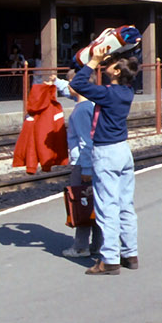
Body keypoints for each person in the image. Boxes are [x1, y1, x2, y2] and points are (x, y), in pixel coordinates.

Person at [72, 49, 140, 274]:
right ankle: (130, 254)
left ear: (117, 72)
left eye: (111, 64)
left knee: (106, 205)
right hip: (123, 150)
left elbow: (79, 83)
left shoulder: (108, 94)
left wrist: (93, 61)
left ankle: (109, 259)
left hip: (106, 152)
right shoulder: (128, 91)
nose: (106, 65)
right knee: (125, 204)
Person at [59, 73, 103, 260]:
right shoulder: (89, 104)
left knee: (82, 204)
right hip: (92, 162)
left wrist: (85, 169)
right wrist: (54, 80)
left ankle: (81, 246)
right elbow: (72, 92)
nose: (68, 86)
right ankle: (97, 245)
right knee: (95, 204)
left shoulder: (81, 110)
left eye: (70, 83)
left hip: (83, 163)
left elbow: (87, 141)